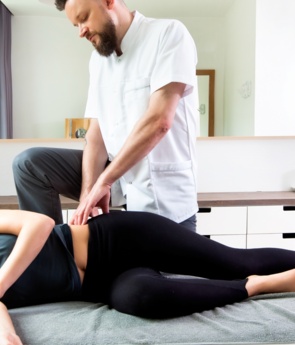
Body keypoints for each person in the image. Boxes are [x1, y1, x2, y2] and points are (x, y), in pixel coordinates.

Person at [12, 0, 199, 231]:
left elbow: (159, 121)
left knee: (143, 269)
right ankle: (50, 251)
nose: (81, 32)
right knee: (28, 164)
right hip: (118, 182)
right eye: (76, 25)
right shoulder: (98, 61)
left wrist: (105, 180)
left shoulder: (168, 34)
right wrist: (87, 195)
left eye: (83, 18)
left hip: (165, 200)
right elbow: (96, 135)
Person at [2, 210, 295, 344]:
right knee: (142, 297)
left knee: (234, 261)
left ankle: (248, 274)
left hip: (113, 239)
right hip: (101, 286)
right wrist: (8, 338)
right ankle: (256, 285)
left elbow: (40, 223)